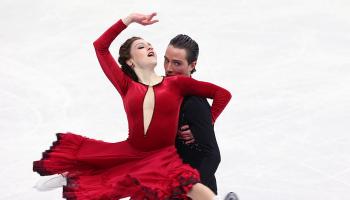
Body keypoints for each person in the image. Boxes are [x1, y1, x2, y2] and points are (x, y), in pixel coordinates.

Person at [33, 12, 231, 200]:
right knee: (94, 163)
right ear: (130, 61)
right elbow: (100, 47)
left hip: (165, 162)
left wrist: (208, 121)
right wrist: (129, 19)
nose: (169, 67)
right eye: (141, 47)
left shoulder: (179, 87)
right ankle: (72, 175)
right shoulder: (128, 86)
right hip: (134, 153)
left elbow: (221, 97)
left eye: (149, 45)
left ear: (192, 65)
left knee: (186, 183)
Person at [164, 35, 238, 200]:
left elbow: (212, 155)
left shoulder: (194, 103)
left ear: (192, 65)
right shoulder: (164, 88)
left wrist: (190, 190)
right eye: (166, 60)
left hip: (192, 187)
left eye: (177, 63)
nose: (168, 68)